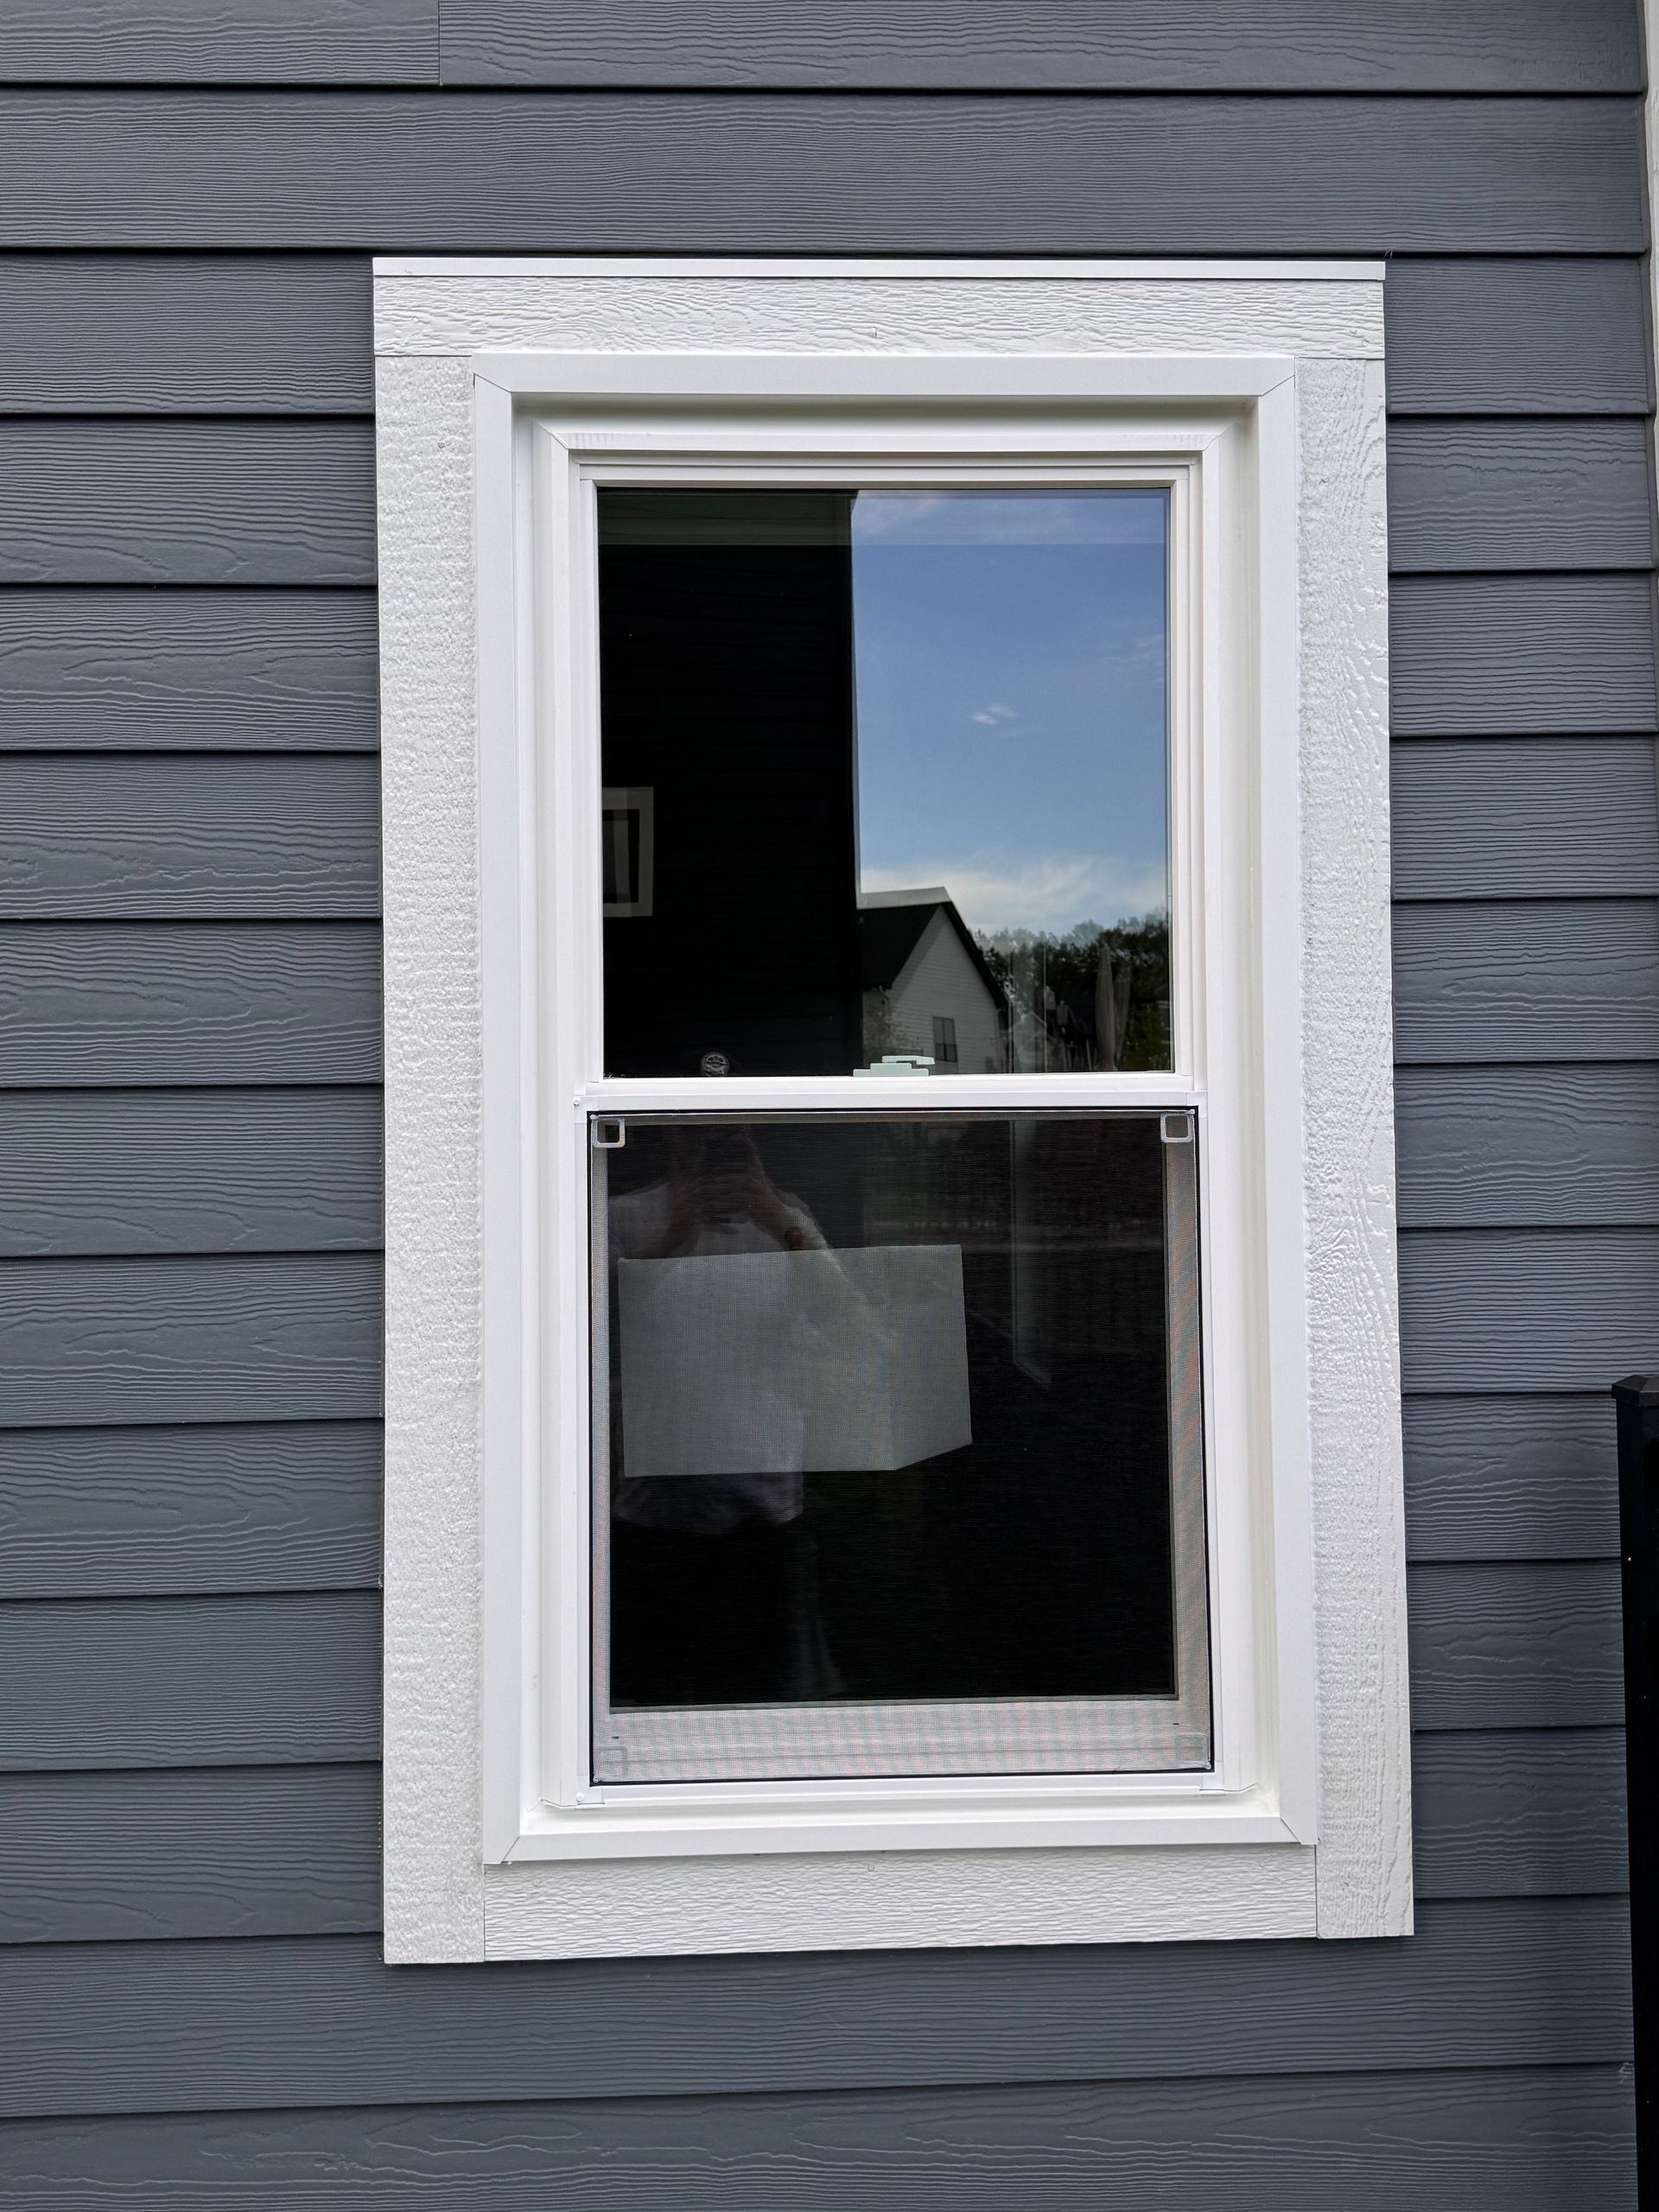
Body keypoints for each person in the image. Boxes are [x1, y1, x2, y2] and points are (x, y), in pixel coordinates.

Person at [605, 1127, 841, 1708]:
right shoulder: (621, 1217)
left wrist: (778, 1219)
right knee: (652, 1694)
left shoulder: (788, 1219)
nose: (716, 1153)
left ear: (754, 1146)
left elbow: (845, 1317)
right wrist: (674, 1235)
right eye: (700, 1137)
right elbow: (594, 1332)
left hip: (767, 1499)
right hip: (655, 1503)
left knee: (764, 1696)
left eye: (731, 1139)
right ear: (671, 1141)